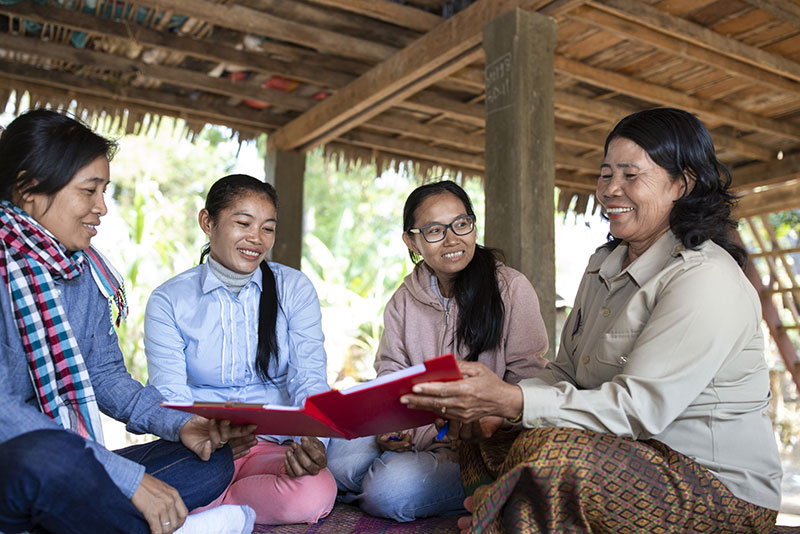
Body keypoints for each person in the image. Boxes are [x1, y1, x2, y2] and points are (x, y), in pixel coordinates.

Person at [402, 108, 782, 533]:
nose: (610, 190)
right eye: (605, 175)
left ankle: (500, 509)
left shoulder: (703, 277)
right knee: (486, 432)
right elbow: (565, 372)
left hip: (712, 485)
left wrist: (513, 402)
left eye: (630, 176)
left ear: (683, 183)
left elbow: (639, 411)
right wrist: (496, 404)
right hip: (625, 452)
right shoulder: (604, 265)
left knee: (553, 457)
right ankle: (502, 507)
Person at [0, 109, 257, 534]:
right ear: (29, 189)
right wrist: (126, 478)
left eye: (105, 190)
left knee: (208, 461)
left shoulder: (83, 272)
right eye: (89, 191)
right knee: (49, 458)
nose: (102, 207)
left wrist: (183, 424)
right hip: (24, 465)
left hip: (72, 463)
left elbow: (103, 375)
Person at [327, 180, 548, 522]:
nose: (452, 239)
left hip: (474, 451)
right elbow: (390, 372)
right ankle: (375, 480)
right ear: (411, 241)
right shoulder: (405, 298)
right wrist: (392, 430)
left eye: (461, 224)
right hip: (412, 434)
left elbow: (529, 384)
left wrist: (489, 422)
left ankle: (378, 487)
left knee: (388, 491)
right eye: (434, 230)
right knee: (338, 460)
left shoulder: (511, 289)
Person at [144, 174, 337, 525]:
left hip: (273, 448)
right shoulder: (169, 300)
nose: (256, 239)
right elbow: (169, 394)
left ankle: (216, 511)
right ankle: (225, 506)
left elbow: (310, 378)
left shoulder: (294, 288)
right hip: (204, 451)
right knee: (152, 493)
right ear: (208, 222)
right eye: (243, 223)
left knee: (316, 490)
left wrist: (313, 441)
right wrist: (203, 434)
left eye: (267, 228)